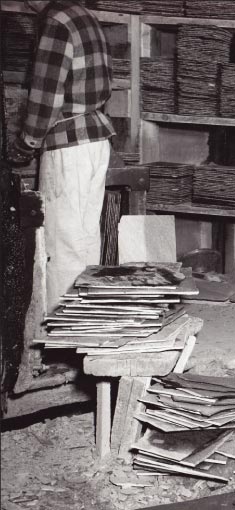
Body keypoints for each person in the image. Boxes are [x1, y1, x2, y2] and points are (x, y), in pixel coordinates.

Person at [7, 0, 115, 311]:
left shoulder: (56, 22)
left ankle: (59, 336)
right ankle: (84, 324)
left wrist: (27, 143)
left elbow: (46, 96)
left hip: (69, 145)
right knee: (85, 238)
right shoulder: (85, 16)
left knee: (61, 242)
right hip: (95, 138)